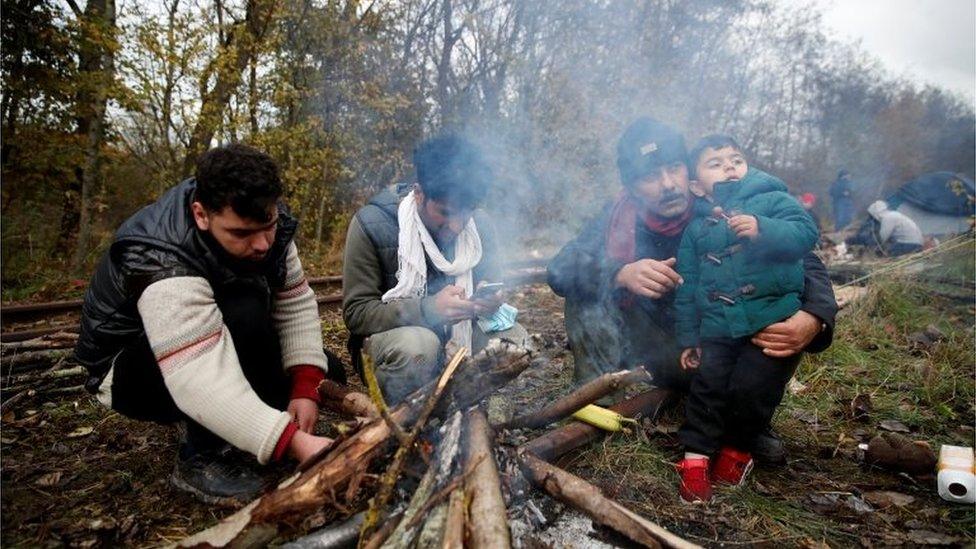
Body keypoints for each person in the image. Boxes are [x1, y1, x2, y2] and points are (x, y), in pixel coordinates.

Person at [546, 117, 837, 465]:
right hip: (655, 350)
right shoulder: (617, 217)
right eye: (651, 176)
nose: (668, 184)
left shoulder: (724, 204)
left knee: (772, 310)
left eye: (674, 168)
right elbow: (559, 268)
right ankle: (594, 406)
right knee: (585, 289)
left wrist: (816, 317)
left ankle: (744, 424)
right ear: (633, 186)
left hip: (724, 349)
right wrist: (620, 273)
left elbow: (804, 258)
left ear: (690, 172)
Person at [75, 144, 335, 504]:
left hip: (210, 341)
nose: (262, 244)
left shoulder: (264, 218)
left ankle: (244, 420)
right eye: (241, 234)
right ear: (201, 214)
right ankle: (199, 457)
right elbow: (196, 375)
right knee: (243, 308)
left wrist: (304, 386)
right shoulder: (158, 255)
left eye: (268, 226)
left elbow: (294, 302)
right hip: (131, 371)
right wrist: (294, 443)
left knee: (326, 370)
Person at [673, 135, 819, 503]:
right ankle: (694, 459)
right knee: (708, 388)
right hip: (718, 327)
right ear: (696, 186)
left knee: (753, 390)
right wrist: (689, 338)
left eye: (735, 159)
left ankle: (738, 452)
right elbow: (687, 286)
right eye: (715, 163)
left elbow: (806, 233)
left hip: (769, 323)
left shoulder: (773, 200)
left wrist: (763, 229)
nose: (728, 166)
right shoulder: (696, 229)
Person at [342, 134, 528, 405]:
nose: (457, 226)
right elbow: (357, 314)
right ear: (419, 194)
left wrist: (489, 302)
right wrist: (429, 309)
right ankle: (407, 415)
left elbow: (493, 283)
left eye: (466, 213)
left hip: (461, 339)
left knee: (515, 341)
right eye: (445, 213)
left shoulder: (480, 225)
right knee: (419, 347)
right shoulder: (372, 225)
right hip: (397, 347)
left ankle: (472, 406)